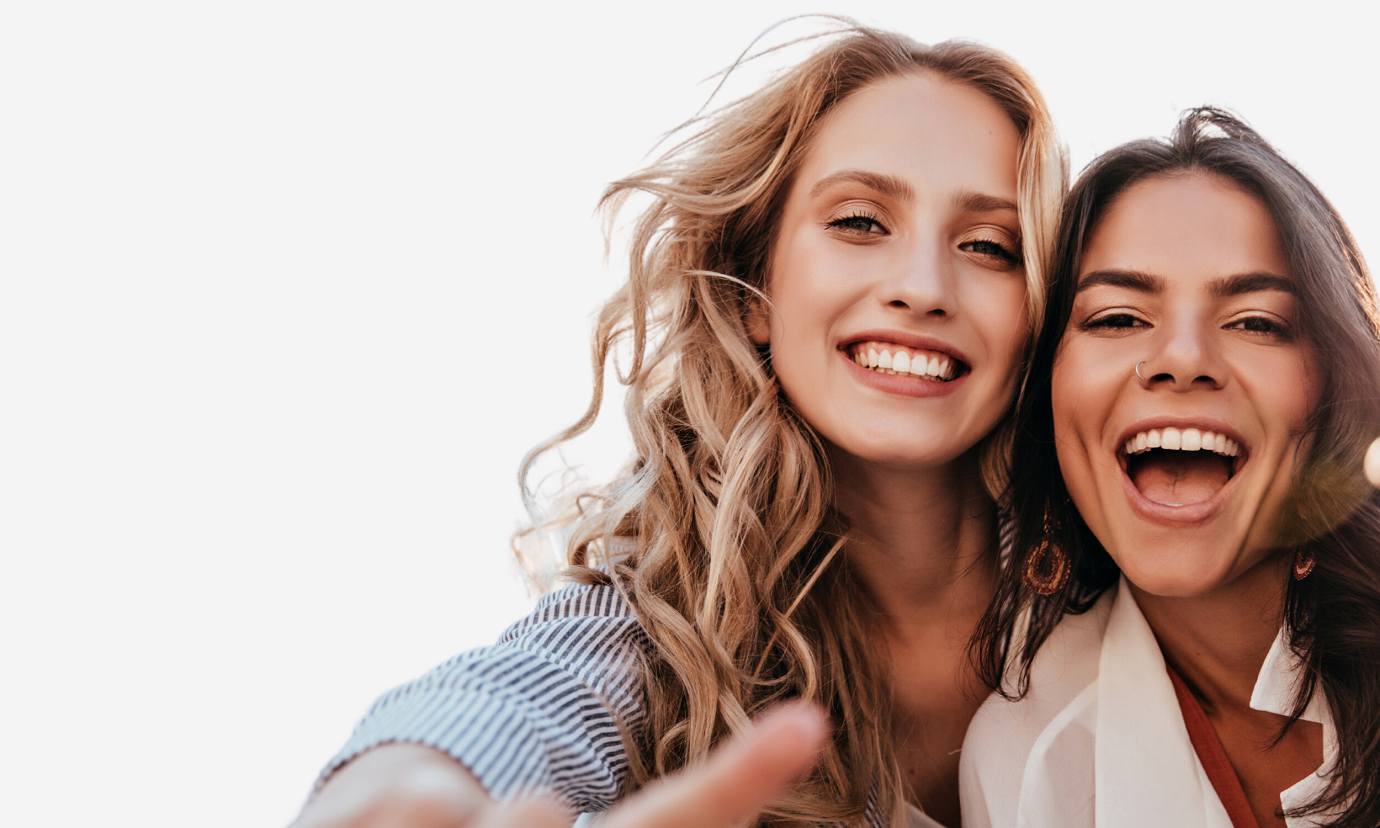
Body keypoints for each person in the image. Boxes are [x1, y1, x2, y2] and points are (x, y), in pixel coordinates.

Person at [292, 21, 1066, 828]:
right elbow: (514, 697)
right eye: (860, 223)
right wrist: (405, 784)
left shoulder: (1112, 582)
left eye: (989, 245)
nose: (922, 285)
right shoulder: (668, 620)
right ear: (747, 290)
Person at [960, 108, 1380, 828]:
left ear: (1335, 389)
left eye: (1256, 322)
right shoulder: (1025, 761)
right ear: (1046, 396)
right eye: (1117, 318)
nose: (1183, 359)